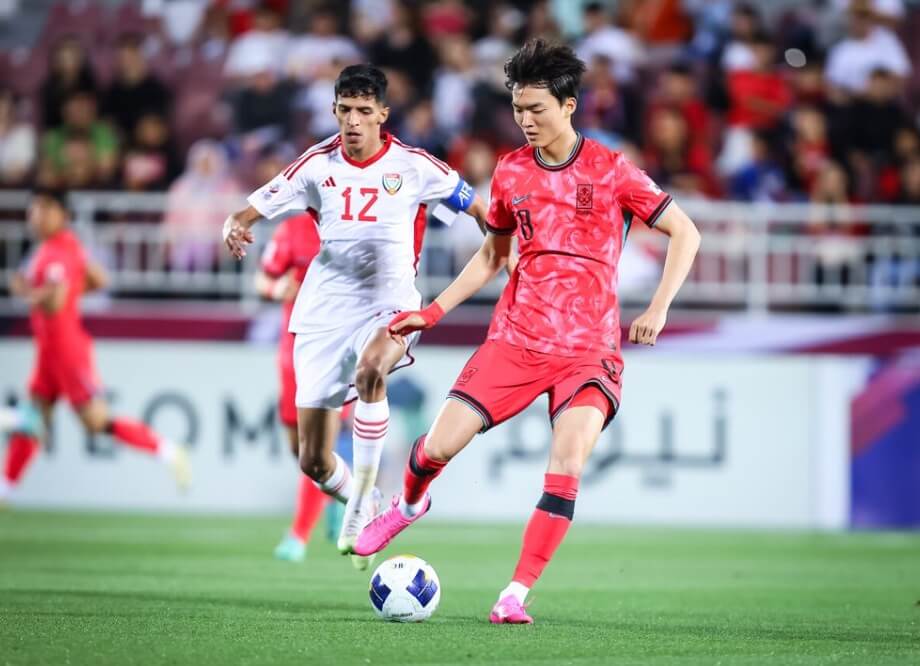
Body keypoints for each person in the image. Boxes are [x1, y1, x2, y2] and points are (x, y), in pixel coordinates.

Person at [354, 39, 701, 624]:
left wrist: (659, 307)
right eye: (518, 109)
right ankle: (411, 503)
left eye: (536, 108)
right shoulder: (511, 171)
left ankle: (515, 592)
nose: (525, 120)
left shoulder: (612, 170)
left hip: (589, 352)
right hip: (515, 341)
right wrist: (432, 312)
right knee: (437, 447)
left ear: (569, 105)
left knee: (567, 462)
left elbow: (685, 232)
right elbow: (492, 257)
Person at [222, 64, 488, 569]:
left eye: (365, 111)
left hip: (390, 304)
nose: (354, 121)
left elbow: (478, 209)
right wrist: (234, 225)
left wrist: (509, 239)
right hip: (324, 312)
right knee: (314, 460)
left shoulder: (415, 166)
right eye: (346, 110)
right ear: (334, 112)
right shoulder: (316, 165)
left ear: (383, 114)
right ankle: (362, 503)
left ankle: (364, 494)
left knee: (372, 372)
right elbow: (252, 209)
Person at [0, 189, 191, 504]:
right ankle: (6, 488)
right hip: (50, 349)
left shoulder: (56, 252)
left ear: (62, 214)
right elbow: (98, 279)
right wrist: (68, 289)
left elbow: (55, 302)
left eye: (45, 208)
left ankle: (169, 451)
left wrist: (25, 291)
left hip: (65, 350)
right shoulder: (63, 246)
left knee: (95, 422)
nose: (35, 215)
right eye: (34, 209)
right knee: (36, 417)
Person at [255, 209, 338, 562]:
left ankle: (298, 536)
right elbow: (262, 280)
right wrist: (276, 288)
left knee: (316, 445)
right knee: (298, 447)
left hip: (337, 346)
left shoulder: (356, 222)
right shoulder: (292, 230)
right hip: (294, 346)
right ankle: (336, 494)